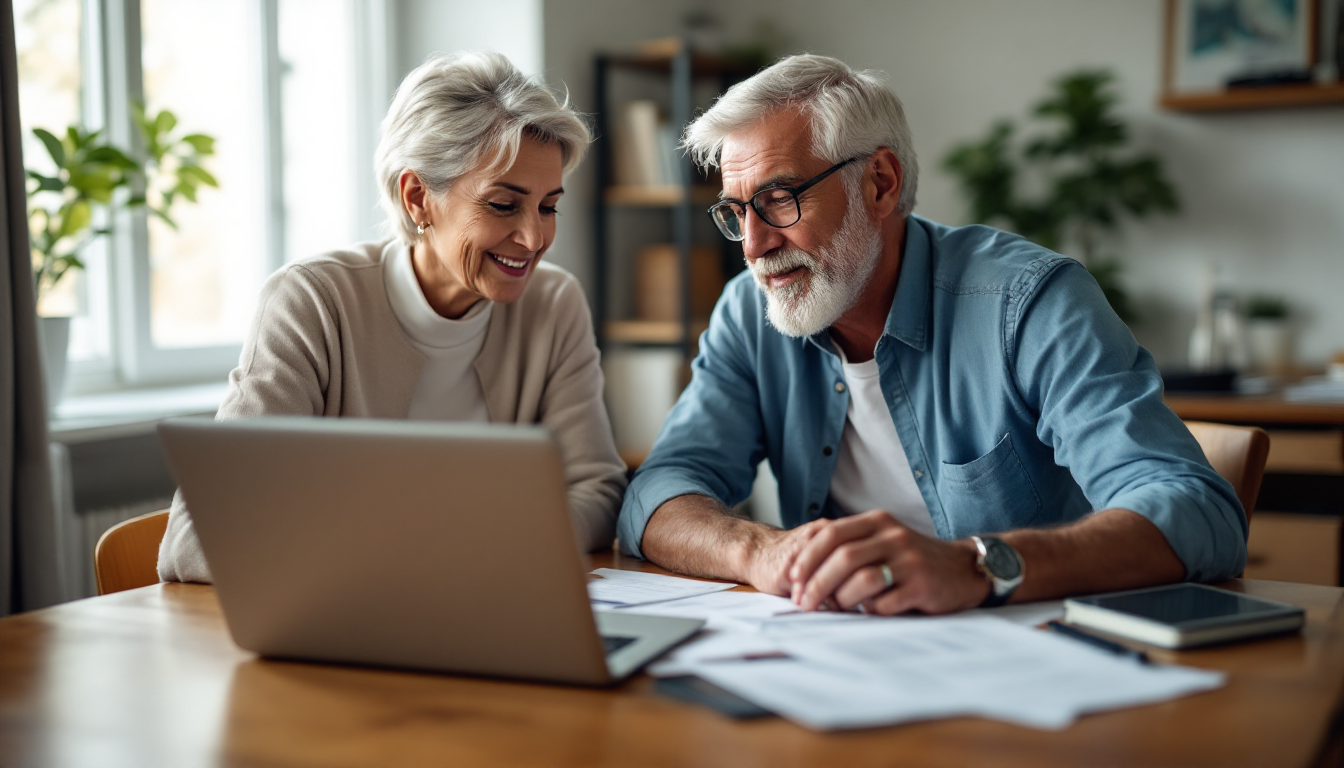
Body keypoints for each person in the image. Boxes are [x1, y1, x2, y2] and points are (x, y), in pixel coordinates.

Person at [617, 54, 1247, 615]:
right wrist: (761, 552)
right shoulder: (749, 313)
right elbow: (658, 492)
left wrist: (978, 565)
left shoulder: (1027, 304)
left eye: (781, 199)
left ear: (880, 183)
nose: (753, 246)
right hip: (847, 662)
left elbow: (1199, 512)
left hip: (1044, 662)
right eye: (737, 211)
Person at [159, 52, 625, 582]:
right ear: (417, 197)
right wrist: (416, 548)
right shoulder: (311, 303)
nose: (535, 238)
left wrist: (483, 540)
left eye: (548, 206)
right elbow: (193, 541)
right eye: (502, 205)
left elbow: (598, 491)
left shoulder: (554, 303)